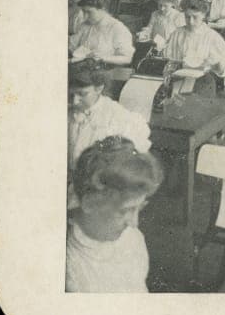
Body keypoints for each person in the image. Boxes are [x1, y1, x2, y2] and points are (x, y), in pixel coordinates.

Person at [66, 136, 164, 292]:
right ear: (89, 203)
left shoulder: (132, 240)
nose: (134, 223)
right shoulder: (69, 266)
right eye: (125, 211)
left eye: (139, 209)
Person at [68, 60, 152, 179]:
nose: (75, 101)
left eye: (82, 94)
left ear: (99, 88)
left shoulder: (117, 116)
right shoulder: (67, 111)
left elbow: (133, 158)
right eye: (71, 95)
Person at [163, 0, 225, 96]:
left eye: (195, 17)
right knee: (175, 107)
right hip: (179, 79)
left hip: (203, 82)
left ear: (203, 15)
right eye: (187, 17)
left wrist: (218, 65)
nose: (190, 21)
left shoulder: (213, 37)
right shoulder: (177, 34)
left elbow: (223, 70)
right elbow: (169, 59)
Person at [69, 0, 135, 66]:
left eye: (89, 12)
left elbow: (127, 58)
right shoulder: (85, 25)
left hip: (107, 71)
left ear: (103, 9)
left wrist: (102, 58)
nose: (85, 16)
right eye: (84, 12)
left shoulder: (118, 28)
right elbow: (72, 46)